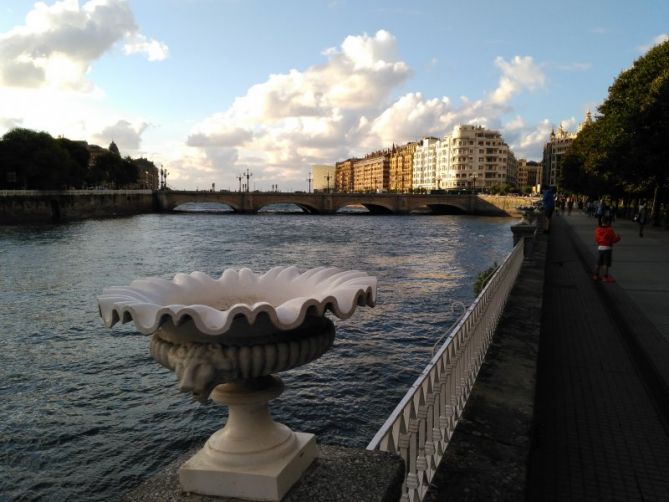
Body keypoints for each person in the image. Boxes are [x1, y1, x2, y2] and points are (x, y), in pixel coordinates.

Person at [593, 215, 621, 283]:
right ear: (608, 222)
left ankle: (596, 275)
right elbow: (613, 239)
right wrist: (618, 237)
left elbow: (596, 239)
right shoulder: (610, 230)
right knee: (606, 264)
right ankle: (605, 277)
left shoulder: (597, 229)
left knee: (598, 262)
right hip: (607, 248)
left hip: (600, 248)